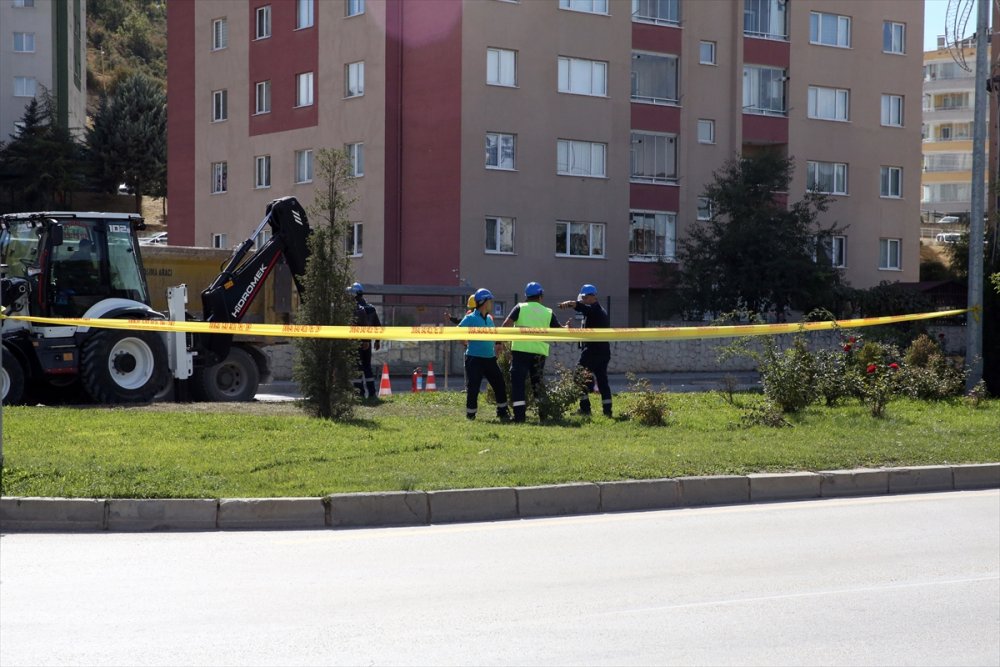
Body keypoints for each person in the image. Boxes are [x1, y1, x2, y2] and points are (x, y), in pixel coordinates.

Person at [501, 281, 561, 423]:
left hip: (520, 351)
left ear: (526, 296)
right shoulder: (548, 312)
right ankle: (543, 415)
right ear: (541, 296)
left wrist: (499, 343)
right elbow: (560, 330)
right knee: (538, 385)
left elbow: (506, 325)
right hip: (539, 353)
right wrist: (568, 326)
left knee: (518, 385)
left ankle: (519, 417)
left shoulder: (520, 307)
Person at [559, 283, 613, 417]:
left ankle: (585, 409)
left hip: (592, 351)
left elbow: (585, 309)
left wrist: (572, 303)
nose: (582, 300)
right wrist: (572, 329)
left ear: (591, 297)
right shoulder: (598, 311)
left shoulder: (595, 310)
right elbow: (587, 331)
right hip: (603, 351)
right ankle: (607, 411)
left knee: (578, 377)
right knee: (602, 381)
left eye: (583, 297)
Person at [458, 288, 509, 421]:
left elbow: (494, 335)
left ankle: (502, 412)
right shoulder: (470, 318)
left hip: (489, 358)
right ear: (484, 302)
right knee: (473, 387)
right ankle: (471, 415)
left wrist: (498, 345)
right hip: (474, 358)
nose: (491, 303)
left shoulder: (489, 319)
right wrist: (465, 342)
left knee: (499, 384)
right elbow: (458, 331)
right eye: (490, 300)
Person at [348, 282, 381, 399]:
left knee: (356, 367)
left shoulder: (353, 309)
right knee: (367, 367)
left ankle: (359, 393)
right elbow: (377, 326)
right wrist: (377, 341)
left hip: (355, 342)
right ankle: (372, 393)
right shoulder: (371, 309)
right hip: (367, 342)